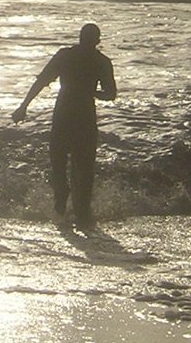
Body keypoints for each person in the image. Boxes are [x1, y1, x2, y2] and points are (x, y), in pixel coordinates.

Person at [12, 23, 118, 229]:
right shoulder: (101, 61)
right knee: (83, 167)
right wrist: (90, 92)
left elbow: (42, 81)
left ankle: (63, 200)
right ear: (97, 41)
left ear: (82, 38)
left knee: (59, 162)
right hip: (84, 116)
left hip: (64, 114)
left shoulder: (66, 55)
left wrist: (23, 106)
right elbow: (110, 94)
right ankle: (82, 215)